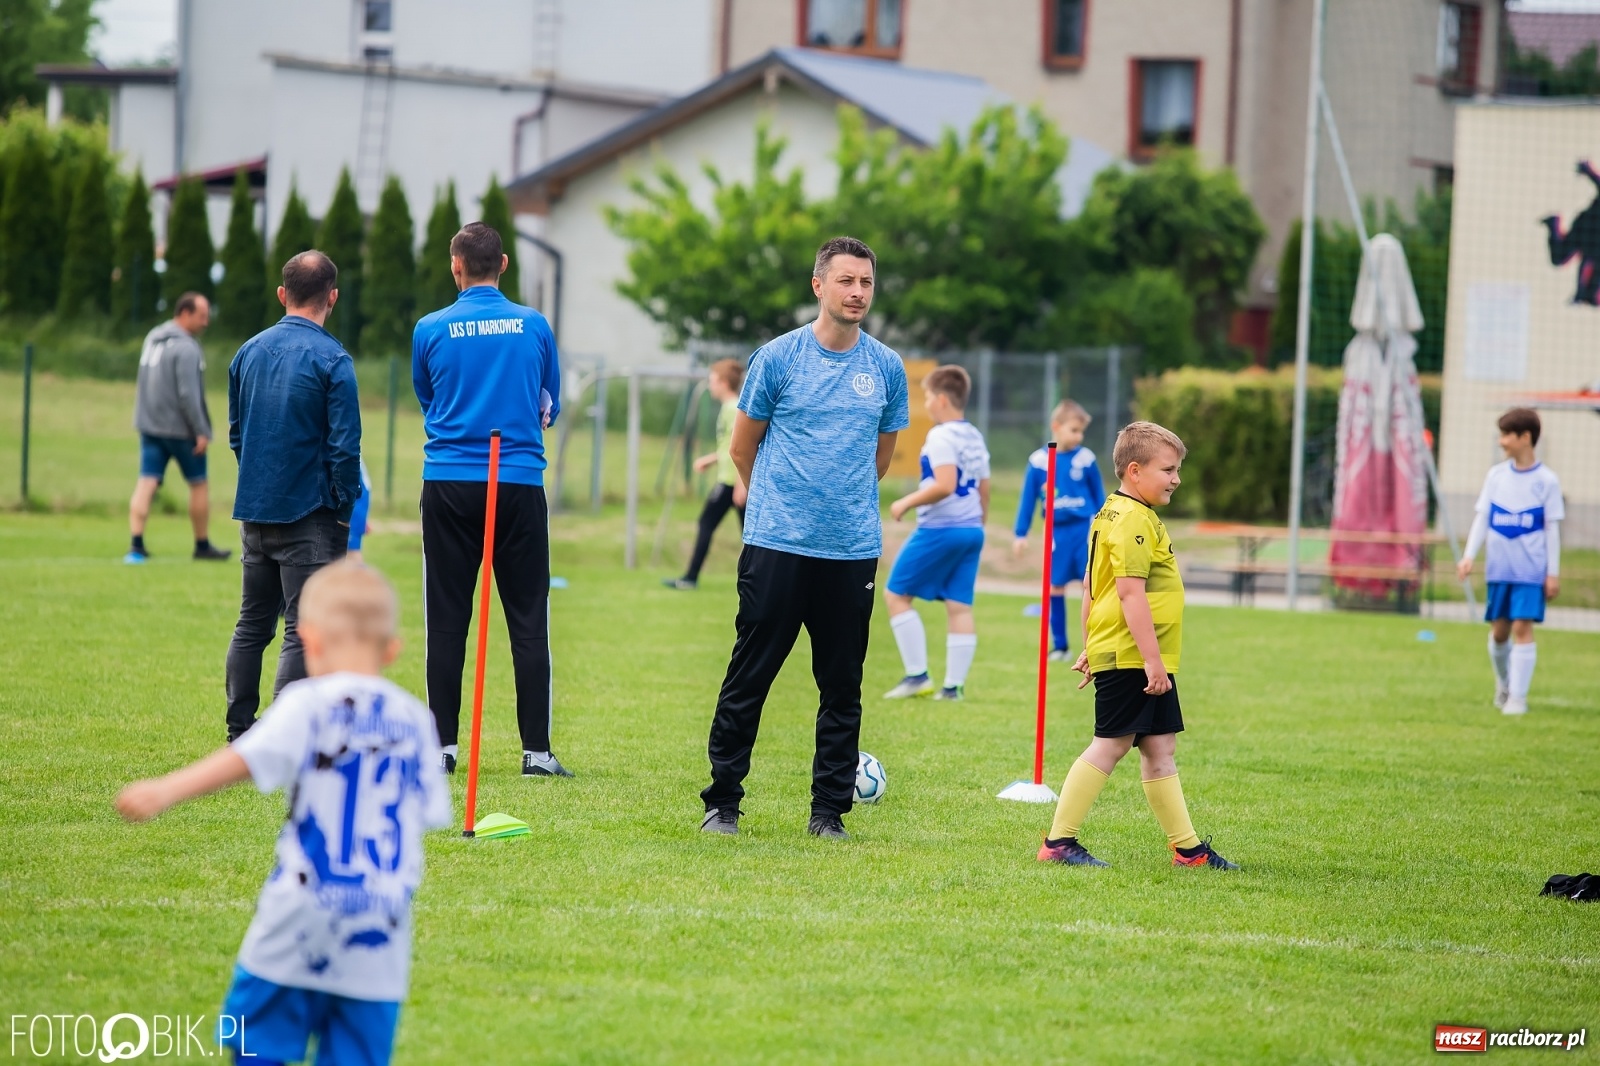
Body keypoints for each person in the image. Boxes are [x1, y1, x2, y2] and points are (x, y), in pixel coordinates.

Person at [116, 560, 451, 1066]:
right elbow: (422, 812)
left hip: (299, 917)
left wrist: (165, 790)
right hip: (380, 932)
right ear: (392, 649)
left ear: (309, 642)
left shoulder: (307, 702)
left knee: (256, 1047)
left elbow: (242, 759)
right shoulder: (415, 720)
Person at [700, 236, 909, 841]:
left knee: (842, 686)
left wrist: (836, 505)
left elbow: (881, 457)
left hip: (850, 552)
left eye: (866, 283)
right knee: (750, 677)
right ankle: (724, 802)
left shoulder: (886, 368)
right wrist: (777, 503)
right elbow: (742, 448)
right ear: (819, 285)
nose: (858, 293)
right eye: (846, 281)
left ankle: (828, 814)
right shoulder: (778, 358)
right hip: (776, 546)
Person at [1039, 422, 1237, 870]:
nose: (1176, 479)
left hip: (1137, 654)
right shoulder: (1131, 520)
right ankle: (1058, 841)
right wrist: (1151, 661)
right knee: (1110, 745)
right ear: (1134, 470)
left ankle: (1188, 852)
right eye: (1168, 469)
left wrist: (1090, 643)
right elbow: (1128, 593)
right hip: (1135, 655)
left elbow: (1093, 583)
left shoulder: (1115, 511)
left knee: (1160, 746)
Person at [413, 222, 567, 779]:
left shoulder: (429, 328)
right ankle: (538, 754)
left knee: (446, 617)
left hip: (449, 482)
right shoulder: (535, 325)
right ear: (503, 265)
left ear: (456, 268)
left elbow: (427, 396)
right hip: (520, 481)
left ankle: (441, 750)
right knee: (529, 618)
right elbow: (550, 403)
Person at [224, 251, 362, 742]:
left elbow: (237, 436)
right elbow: (346, 449)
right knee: (302, 630)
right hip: (311, 516)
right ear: (333, 297)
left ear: (282, 294)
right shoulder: (335, 361)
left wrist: (260, 480)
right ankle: (281, 738)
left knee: (251, 625)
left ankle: (240, 729)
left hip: (255, 511)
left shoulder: (246, 352)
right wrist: (344, 510)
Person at [882, 364, 991, 701]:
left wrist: (906, 502)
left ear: (942, 399)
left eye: (928, 396)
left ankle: (917, 677)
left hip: (940, 529)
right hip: (971, 529)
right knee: (959, 606)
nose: (926, 402)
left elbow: (945, 484)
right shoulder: (973, 435)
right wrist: (979, 523)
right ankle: (952, 688)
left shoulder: (940, 435)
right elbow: (984, 487)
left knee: (896, 594)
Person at [1455, 408, 1563, 716]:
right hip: (1499, 569)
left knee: (1521, 627)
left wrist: (1552, 573)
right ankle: (1504, 683)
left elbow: (1551, 530)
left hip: (1531, 571)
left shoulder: (1547, 481)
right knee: (1499, 631)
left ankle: (1518, 698)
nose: (1502, 441)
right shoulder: (1496, 476)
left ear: (1525, 438)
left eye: (1507, 435)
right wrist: (1468, 556)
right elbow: (1483, 517)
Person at [126, 292, 231, 564]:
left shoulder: (153, 338)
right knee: (199, 484)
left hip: (150, 425)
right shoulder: (187, 347)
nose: (206, 322)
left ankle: (136, 545)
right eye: (202, 316)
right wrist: (201, 430)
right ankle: (202, 544)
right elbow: (188, 394)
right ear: (184, 313)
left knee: (147, 481)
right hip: (181, 431)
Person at [1012, 400, 1104, 660]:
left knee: (1090, 587)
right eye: (1074, 430)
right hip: (1056, 534)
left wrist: (1106, 527)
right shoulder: (1039, 461)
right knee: (1055, 587)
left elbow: (1099, 497)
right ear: (1057, 426)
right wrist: (1021, 534)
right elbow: (1027, 500)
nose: (1079, 436)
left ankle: (1094, 647)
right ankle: (1061, 646)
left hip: (1084, 531)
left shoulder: (1086, 459)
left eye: (1081, 431)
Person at [663, 359, 748, 590]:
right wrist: (710, 460)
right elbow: (728, 448)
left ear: (723, 383)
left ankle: (691, 578)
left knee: (709, 524)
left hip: (732, 482)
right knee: (749, 536)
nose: (710, 386)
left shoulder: (734, 408)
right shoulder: (729, 407)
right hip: (730, 480)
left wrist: (742, 485)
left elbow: (746, 447)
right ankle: (757, 581)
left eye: (712, 381)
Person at [347, 459, 375, 562]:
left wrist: (360, 517)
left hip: (355, 502)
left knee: (352, 554)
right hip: (355, 499)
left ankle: (361, 577)